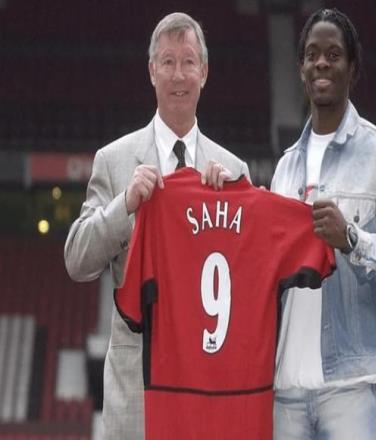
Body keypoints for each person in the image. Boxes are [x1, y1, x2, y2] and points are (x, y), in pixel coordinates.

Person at [64, 12, 249, 440]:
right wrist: (125, 204)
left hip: (207, 387)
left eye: (188, 62)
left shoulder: (233, 171)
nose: (178, 75)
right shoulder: (113, 161)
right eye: (167, 62)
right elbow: (77, 259)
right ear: (151, 71)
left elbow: (248, 284)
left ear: (204, 72)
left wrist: (230, 211)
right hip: (136, 396)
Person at [270, 8, 376, 439]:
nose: (321, 63)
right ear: (301, 69)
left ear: (352, 69)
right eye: (312, 55)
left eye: (334, 54)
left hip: (351, 389)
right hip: (284, 390)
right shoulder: (285, 168)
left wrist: (353, 240)